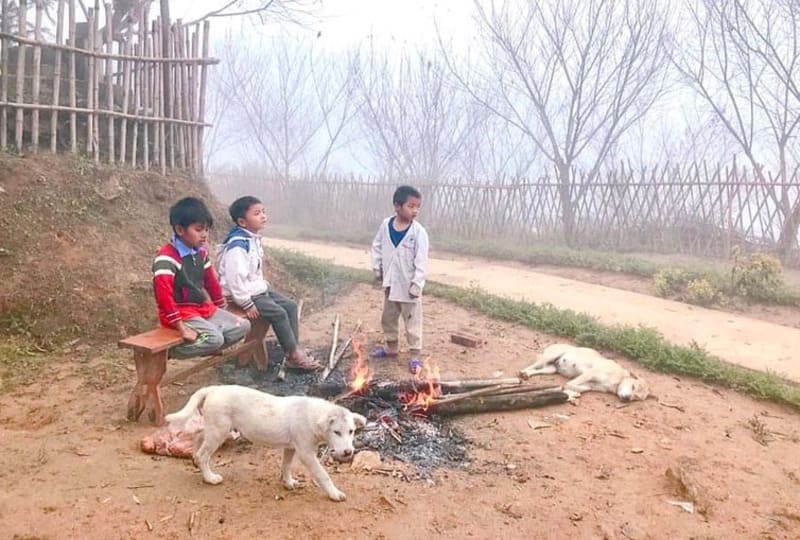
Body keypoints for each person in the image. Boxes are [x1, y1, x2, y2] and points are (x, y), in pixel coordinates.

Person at [217, 195, 321, 371]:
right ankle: (294, 355)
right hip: (242, 294)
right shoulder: (238, 245)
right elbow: (235, 280)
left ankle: (292, 351)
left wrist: (262, 285)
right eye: (257, 213)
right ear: (242, 221)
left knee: (290, 306)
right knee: (278, 313)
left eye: (263, 212)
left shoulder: (253, 239)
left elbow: (254, 271)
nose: (263, 216)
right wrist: (246, 303)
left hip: (256, 288)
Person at [152, 197, 250, 359]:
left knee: (243, 325)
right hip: (180, 314)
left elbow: (210, 281)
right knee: (214, 339)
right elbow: (164, 297)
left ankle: (207, 346)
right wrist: (181, 327)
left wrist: (221, 307)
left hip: (201, 309)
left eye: (206, 229)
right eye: (198, 230)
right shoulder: (166, 258)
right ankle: (169, 352)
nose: (204, 235)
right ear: (180, 230)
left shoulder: (200, 252)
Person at [370, 185, 429, 357]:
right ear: (397, 206)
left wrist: (417, 283)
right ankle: (391, 347)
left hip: (408, 285)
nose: (415, 210)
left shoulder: (418, 232)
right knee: (388, 317)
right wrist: (377, 267)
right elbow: (377, 246)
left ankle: (415, 354)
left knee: (412, 320)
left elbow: (421, 260)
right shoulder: (385, 225)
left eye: (418, 207)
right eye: (411, 206)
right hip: (390, 283)